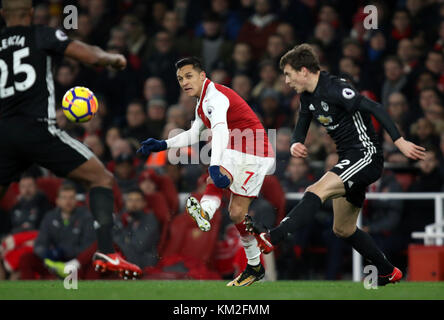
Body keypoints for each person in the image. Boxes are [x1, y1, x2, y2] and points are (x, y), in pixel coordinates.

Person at [245, 43, 426, 286]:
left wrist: (399, 141)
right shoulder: (307, 96)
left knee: (315, 191)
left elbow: (375, 107)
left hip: (366, 156)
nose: (286, 81)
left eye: (288, 74)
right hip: (349, 160)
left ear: (304, 70)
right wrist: (295, 142)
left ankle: (273, 237)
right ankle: (387, 271)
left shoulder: (335, 88)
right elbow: (303, 123)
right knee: (343, 229)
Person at [0, 0, 141, 278]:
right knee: (101, 179)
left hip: (3, 133)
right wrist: (114, 59)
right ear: (30, 13)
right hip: (37, 128)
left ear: (3, 14)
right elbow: (89, 55)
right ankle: (107, 254)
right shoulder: (42, 34)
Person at [137, 57, 275, 286]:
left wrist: (214, 165)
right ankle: (255, 266)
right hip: (246, 153)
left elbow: (220, 131)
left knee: (218, 167)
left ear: (203, 75)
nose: (184, 82)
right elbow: (193, 134)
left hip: (253, 151)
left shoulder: (215, 98)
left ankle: (206, 211)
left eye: (189, 76)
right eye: (180, 78)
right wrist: (163, 144)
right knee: (237, 213)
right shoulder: (202, 102)